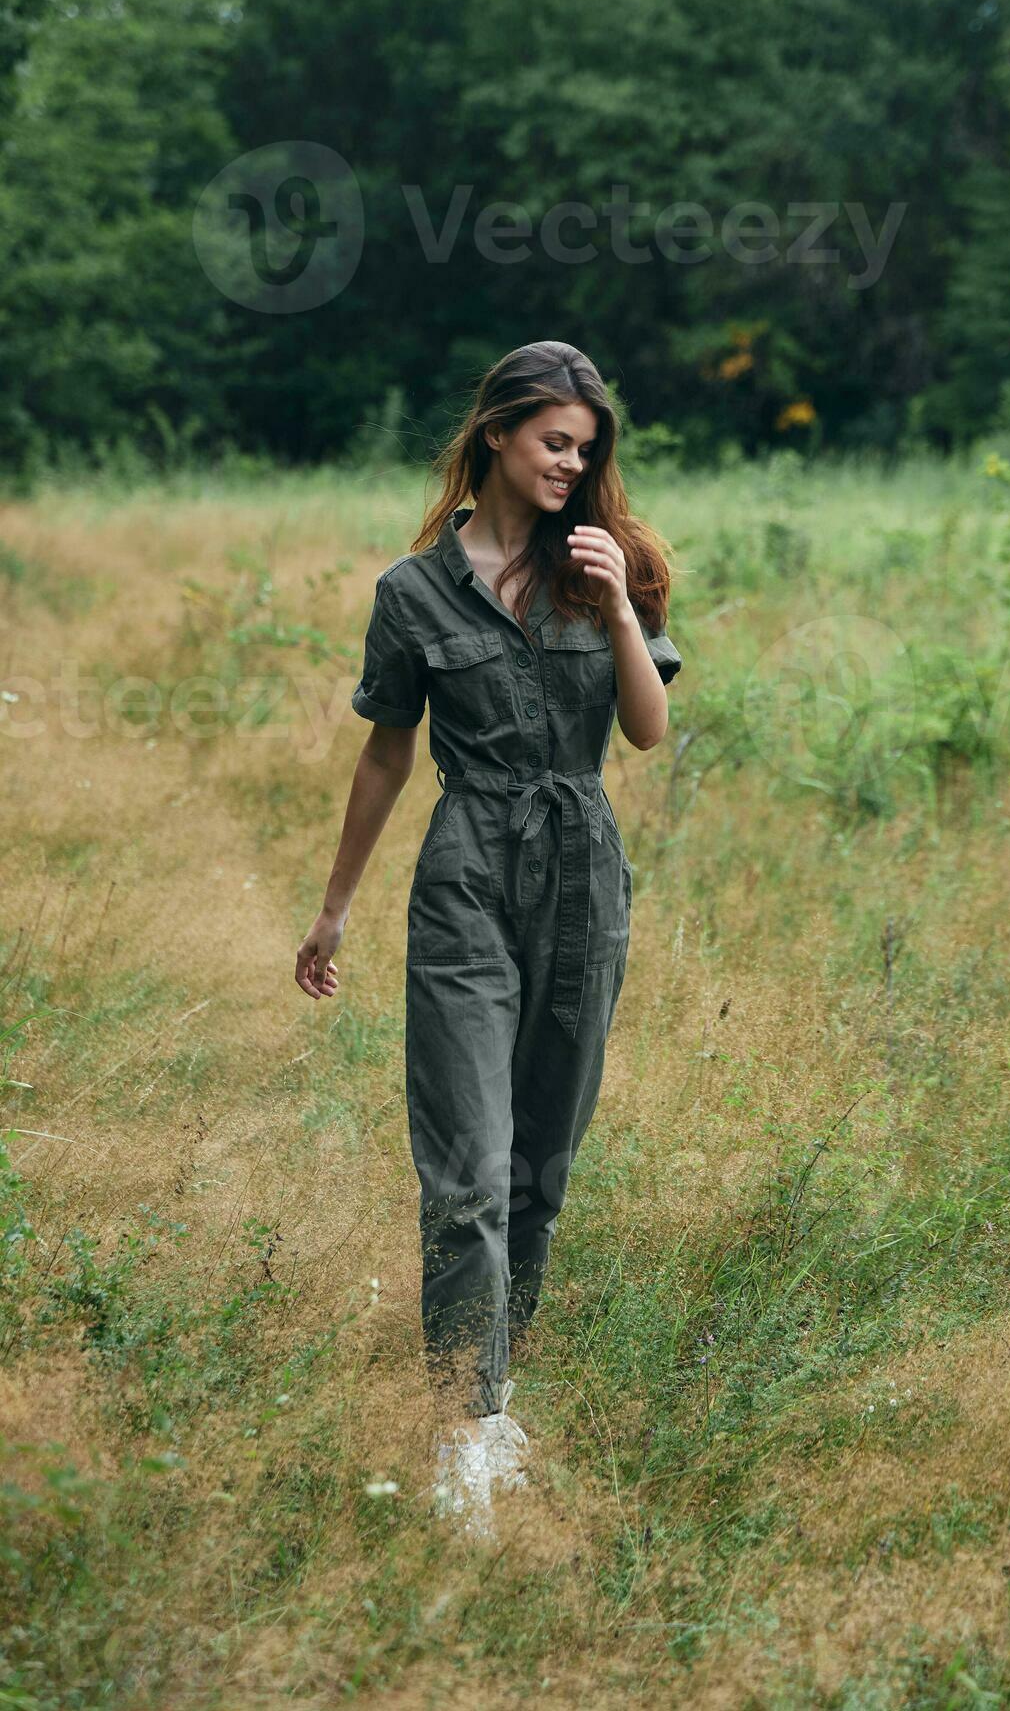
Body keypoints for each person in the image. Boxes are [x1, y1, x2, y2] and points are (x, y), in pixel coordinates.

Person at [293, 340, 682, 1537]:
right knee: (464, 1168)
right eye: (554, 441)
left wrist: (617, 602)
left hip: (583, 868)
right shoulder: (413, 592)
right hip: (467, 871)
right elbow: (385, 752)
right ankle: (462, 1434)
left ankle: (494, 1399)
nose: (573, 463)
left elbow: (648, 729)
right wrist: (335, 905)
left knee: (538, 1171)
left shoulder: (613, 566)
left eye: (586, 446)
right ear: (500, 433)